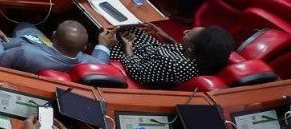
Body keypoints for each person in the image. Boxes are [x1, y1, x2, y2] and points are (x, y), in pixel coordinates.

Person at [0, 17, 110, 72]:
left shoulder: (25, 53)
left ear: (53, 36)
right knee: (24, 26)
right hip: (39, 46)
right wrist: (103, 45)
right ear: (84, 48)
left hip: (6, 47)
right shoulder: (89, 64)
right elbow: (101, 63)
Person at [100, 26, 233, 89]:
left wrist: (127, 47)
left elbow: (136, 71)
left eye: (188, 34)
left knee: (107, 35)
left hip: (135, 62)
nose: (185, 31)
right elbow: (179, 50)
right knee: (133, 28)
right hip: (152, 51)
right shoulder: (198, 55)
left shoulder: (175, 67)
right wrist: (167, 37)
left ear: (192, 46)